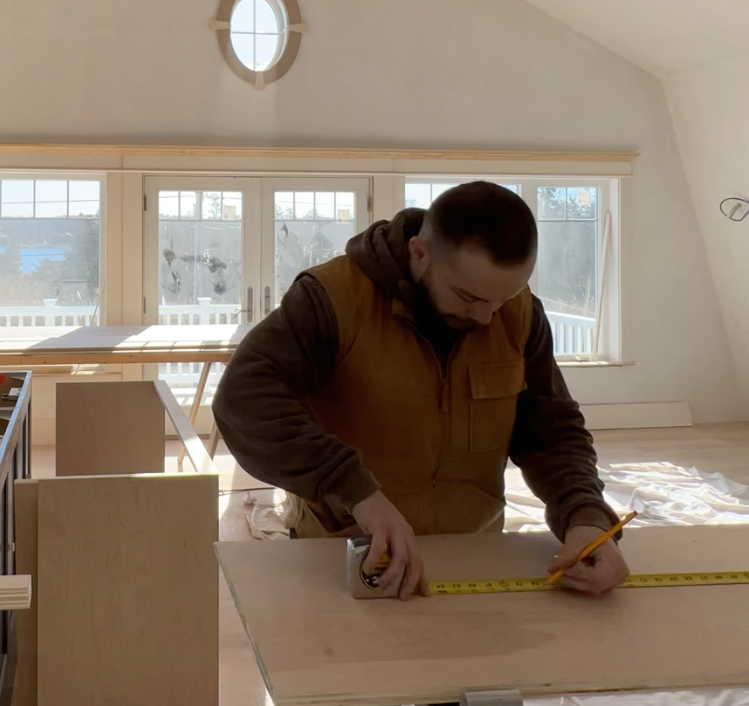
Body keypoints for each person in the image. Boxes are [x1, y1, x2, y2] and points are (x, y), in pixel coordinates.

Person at [213, 181, 629, 599]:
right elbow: (243, 399)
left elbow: (551, 431)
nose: (486, 318)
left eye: (503, 299)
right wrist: (355, 490)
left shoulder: (517, 315)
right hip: (346, 562)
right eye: (468, 297)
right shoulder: (332, 299)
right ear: (419, 252)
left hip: (473, 558)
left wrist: (585, 515)